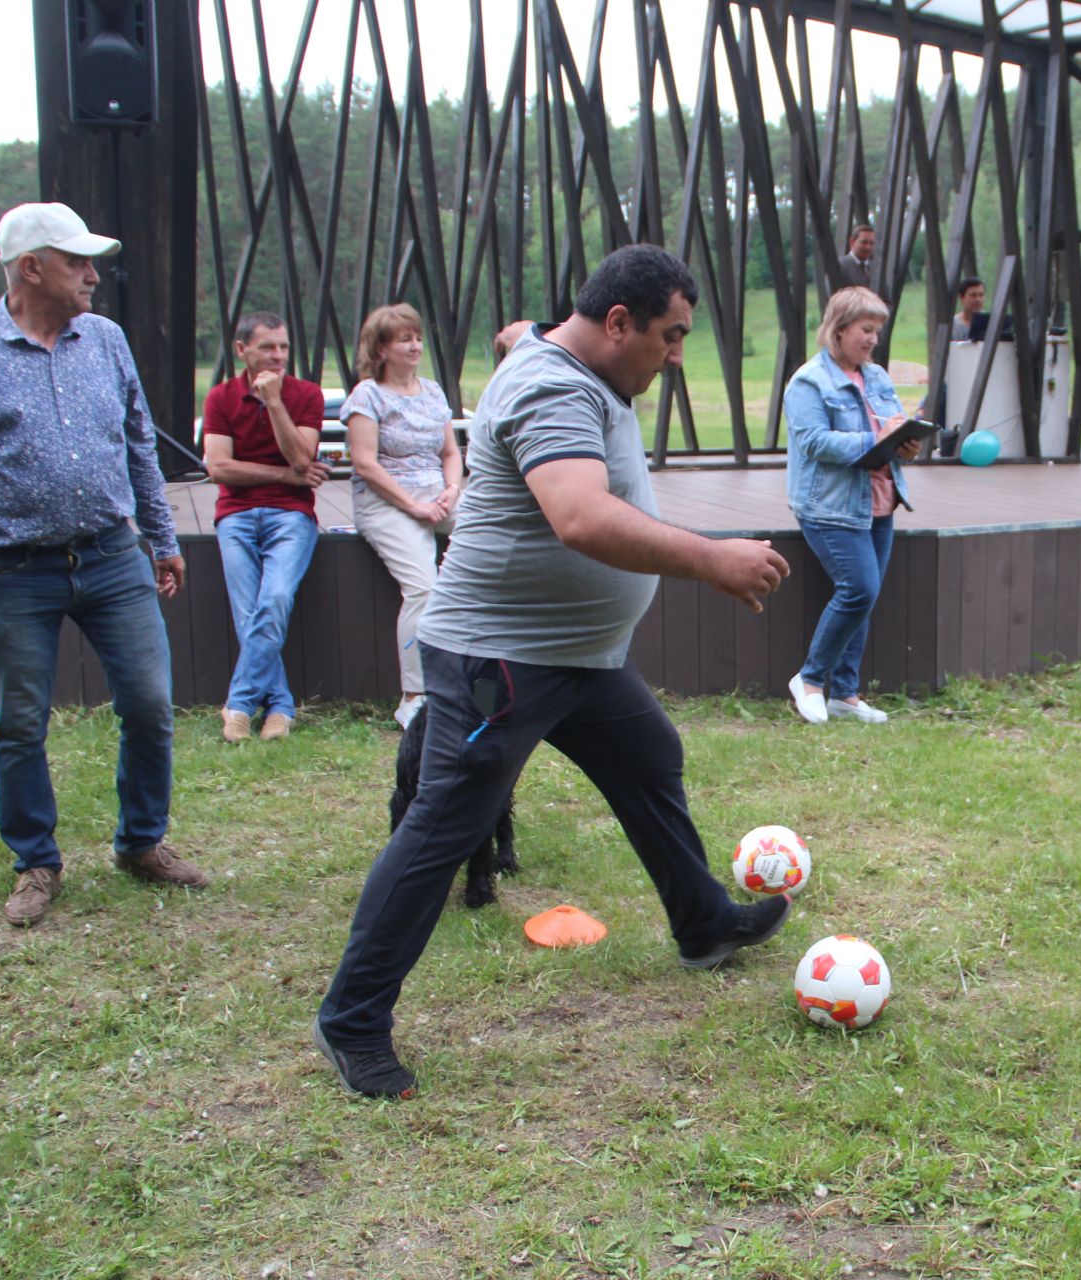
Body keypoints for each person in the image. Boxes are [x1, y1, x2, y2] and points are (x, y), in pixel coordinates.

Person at [314, 245, 792, 1098]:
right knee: (443, 830)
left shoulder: (572, 360)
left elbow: (530, 336)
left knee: (649, 756)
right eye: (670, 337)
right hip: (499, 656)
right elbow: (577, 516)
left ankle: (705, 923)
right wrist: (712, 561)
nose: (676, 357)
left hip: (573, 656)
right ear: (617, 323)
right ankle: (351, 1020)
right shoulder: (554, 386)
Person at [0, 202, 205, 927]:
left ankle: (141, 842)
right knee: (19, 722)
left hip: (111, 555)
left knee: (150, 705)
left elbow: (139, 445)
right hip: (11, 568)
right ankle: (36, 861)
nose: (93, 275)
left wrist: (162, 536)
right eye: (76, 262)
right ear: (31, 268)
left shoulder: (107, 339)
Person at [782, 287, 920, 726]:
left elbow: (893, 427)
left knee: (865, 596)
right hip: (829, 507)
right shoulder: (808, 382)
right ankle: (809, 680)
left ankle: (844, 693)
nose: (872, 339)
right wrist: (876, 440)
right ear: (839, 330)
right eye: (866, 329)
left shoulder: (877, 377)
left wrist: (907, 442)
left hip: (879, 503)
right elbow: (814, 442)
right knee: (858, 589)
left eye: (876, 330)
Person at [202, 311, 329, 741]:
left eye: (284, 347)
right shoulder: (220, 397)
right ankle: (279, 707)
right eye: (267, 348)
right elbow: (218, 468)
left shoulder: (306, 394)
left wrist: (274, 402)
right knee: (249, 611)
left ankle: (238, 705)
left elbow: (301, 459)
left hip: (292, 516)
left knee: (272, 600)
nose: (278, 357)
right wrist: (282, 476)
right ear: (242, 350)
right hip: (234, 515)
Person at [343, 303, 464, 728]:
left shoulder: (432, 391)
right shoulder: (366, 397)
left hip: (438, 493)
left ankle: (486, 677)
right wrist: (414, 506)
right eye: (404, 340)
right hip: (387, 500)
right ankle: (414, 695)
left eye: (417, 338)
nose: (414, 346)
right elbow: (365, 464)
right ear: (380, 349)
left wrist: (452, 490)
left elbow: (451, 453)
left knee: (496, 542)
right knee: (424, 587)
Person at [834, 223, 875, 291]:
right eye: (864, 242)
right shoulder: (840, 266)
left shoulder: (875, 268)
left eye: (872, 243)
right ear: (852, 242)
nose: (868, 247)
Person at [949, 277, 985, 341]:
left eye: (981, 295)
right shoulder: (952, 325)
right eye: (973, 295)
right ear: (961, 298)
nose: (978, 299)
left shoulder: (991, 323)